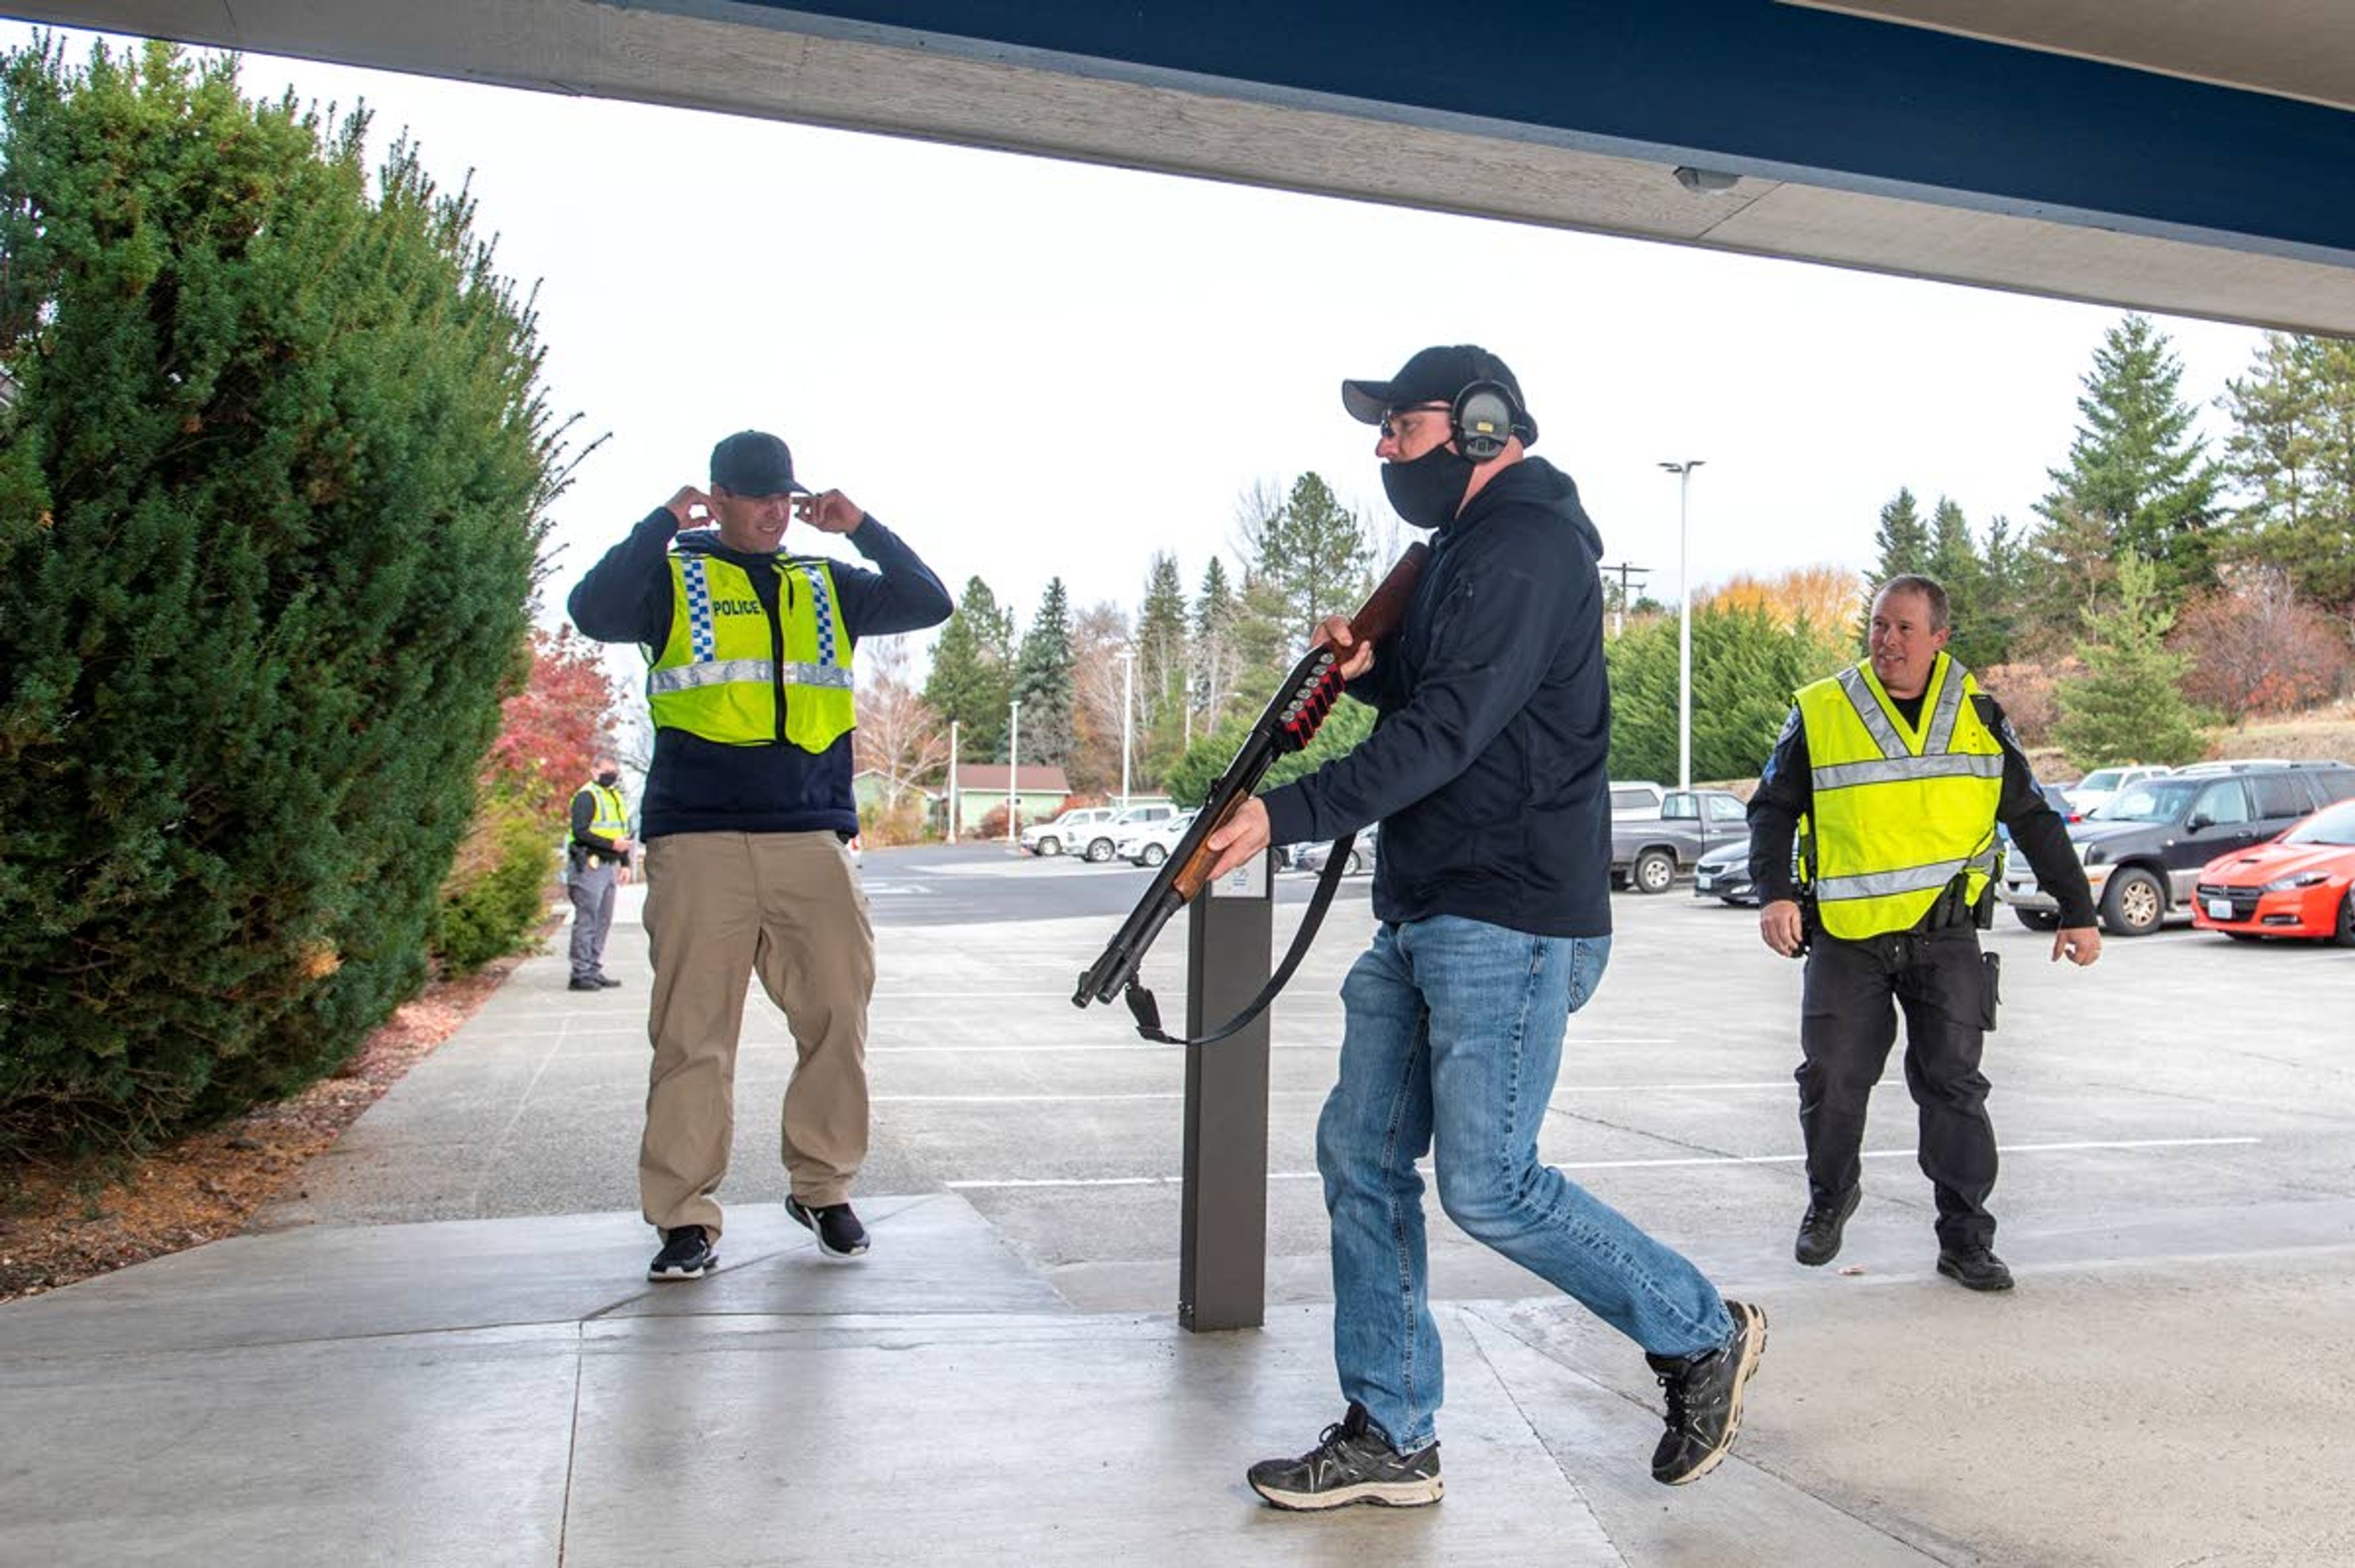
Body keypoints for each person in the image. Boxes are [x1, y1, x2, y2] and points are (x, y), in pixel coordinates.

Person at [1202, 346, 1766, 1510]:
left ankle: (1698, 1328)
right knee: (1361, 1154)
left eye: (1397, 428)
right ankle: (1394, 1430)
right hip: (1428, 904)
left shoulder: (1526, 546)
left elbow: (1453, 731)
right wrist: (1367, 669)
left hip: (1505, 915)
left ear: (1477, 424)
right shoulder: (1466, 551)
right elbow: (1445, 698)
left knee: (1492, 1184)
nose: (1380, 449)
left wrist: (1287, 811)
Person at [568, 429, 952, 1282]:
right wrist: (661, 523)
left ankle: (822, 1186)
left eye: (786, 495)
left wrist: (862, 527)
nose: (776, 511)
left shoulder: (825, 582)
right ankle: (683, 1217)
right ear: (719, 497)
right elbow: (591, 611)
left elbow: (930, 602)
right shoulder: (673, 575)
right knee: (693, 1035)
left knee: (837, 1015)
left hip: (810, 833)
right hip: (698, 834)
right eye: (756, 496)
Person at [1747, 573, 2100, 1293]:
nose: (1888, 641)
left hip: (1945, 938)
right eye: (1879, 625)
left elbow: (2031, 815)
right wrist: (1775, 894)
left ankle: (1966, 1238)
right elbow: (1772, 808)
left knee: (1954, 1089)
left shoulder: (1979, 714)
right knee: (1833, 1079)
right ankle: (1830, 1197)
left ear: (1940, 637)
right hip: (1848, 935)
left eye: (1905, 628)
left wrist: (2076, 907)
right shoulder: (1822, 710)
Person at [564, 754, 633, 993]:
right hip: (588, 865)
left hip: (609, 866)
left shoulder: (614, 797)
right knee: (587, 919)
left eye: (615, 771)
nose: (611, 776)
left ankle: (593, 968)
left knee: (603, 920)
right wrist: (611, 845)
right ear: (594, 772)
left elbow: (622, 834)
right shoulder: (587, 796)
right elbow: (580, 831)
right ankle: (580, 973)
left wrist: (625, 863)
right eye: (607, 771)